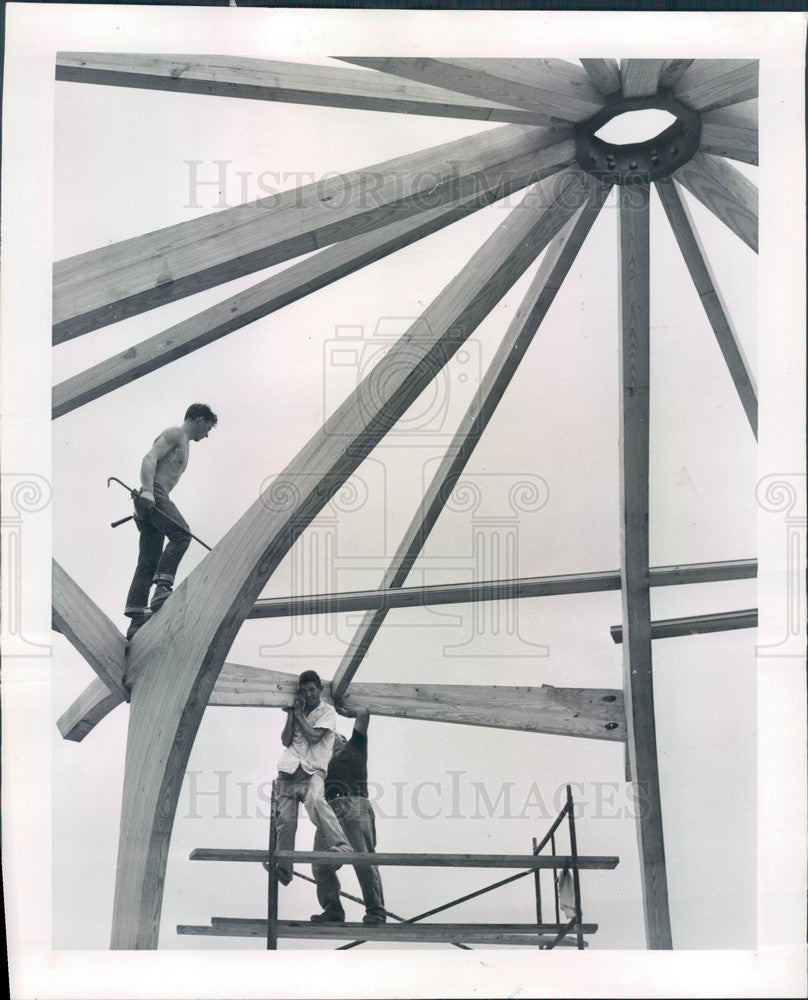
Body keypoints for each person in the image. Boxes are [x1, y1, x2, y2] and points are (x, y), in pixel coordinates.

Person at [123, 403, 217, 641]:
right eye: (207, 428)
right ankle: (162, 588)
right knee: (181, 534)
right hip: (153, 493)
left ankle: (136, 618)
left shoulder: (185, 443)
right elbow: (150, 457)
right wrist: (147, 490)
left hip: (151, 500)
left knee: (148, 561)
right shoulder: (176, 434)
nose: (206, 435)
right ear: (198, 419)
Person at [273, 671, 352, 886]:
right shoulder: (297, 711)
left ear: (319, 690)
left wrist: (298, 714)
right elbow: (285, 740)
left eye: (312, 690)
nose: (308, 694)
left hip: (311, 773)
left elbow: (315, 737)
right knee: (285, 822)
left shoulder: (327, 712)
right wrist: (292, 714)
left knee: (318, 802)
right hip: (288, 774)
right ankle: (284, 869)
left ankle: (342, 846)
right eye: (304, 690)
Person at [310, 707, 386, 925]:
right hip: (330, 812)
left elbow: (364, 714)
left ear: (342, 739)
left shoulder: (354, 747)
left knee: (363, 859)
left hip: (354, 805)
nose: (329, 739)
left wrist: (346, 710)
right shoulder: (321, 767)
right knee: (320, 863)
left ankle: (376, 911)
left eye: (333, 736)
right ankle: (333, 911)